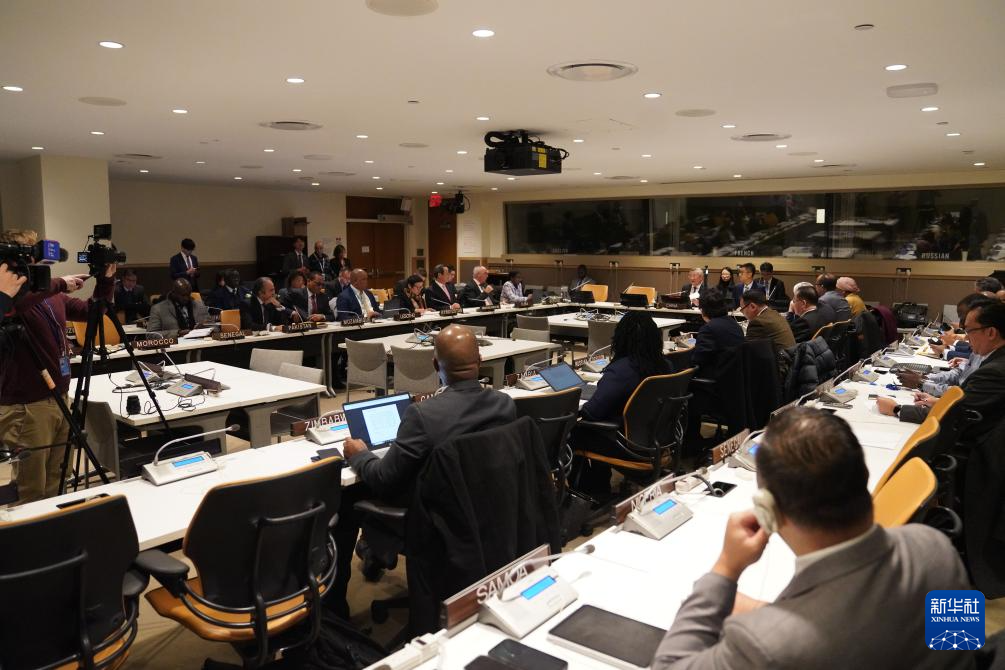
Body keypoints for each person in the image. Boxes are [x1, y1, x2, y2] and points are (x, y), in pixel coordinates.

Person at [653, 407, 971, 670]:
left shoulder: (766, 645)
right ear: (863, 476)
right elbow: (960, 646)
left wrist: (726, 568)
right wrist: (780, 614)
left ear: (768, 510)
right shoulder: (936, 547)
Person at [333, 325, 516, 615]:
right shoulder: (504, 405)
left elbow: (384, 478)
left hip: (434, 520)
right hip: (485, 510)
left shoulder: (422, 415)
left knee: (345, 497)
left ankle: (336, 609)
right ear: (480, 361)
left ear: (434, 365)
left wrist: (360, 455)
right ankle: (375, 551)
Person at [0, 229, 116, 504]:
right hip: (27, 406)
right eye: (32, 256)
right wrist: (60, 283)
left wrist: (106, 281)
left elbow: (92, 311)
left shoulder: (50, 296)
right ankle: (32, 531)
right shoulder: (12, 298)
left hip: (59, 397)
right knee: (31, 487)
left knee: (57, 478)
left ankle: (54, 525)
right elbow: (17, 304)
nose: (40, 263)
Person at [570, 312, 673, 493]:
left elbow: (591, 413)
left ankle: (589, 491)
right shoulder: (667, 366)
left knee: (572, 432)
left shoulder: (622, 370)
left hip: (628, 446)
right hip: (659, 443)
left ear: (620, 338)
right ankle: (598, 485)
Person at [878, 300, 1005, 445]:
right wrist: (940, 402)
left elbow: (955, 418)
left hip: (972, 447)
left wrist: (897, 409)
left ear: (991, 332)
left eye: (969, 331)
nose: (966, 337)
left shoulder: (994, 372)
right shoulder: (991, 356)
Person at [896, 294, 994, 396]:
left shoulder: (993, 366)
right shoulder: (981, 349)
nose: (961, 325)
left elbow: (965, 395)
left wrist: (921, 384)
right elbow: (960, 374)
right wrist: (925, 378)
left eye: (964, 319)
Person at [691, 288, 744, 375]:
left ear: (703, 309)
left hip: (715, 376)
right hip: (734, 375)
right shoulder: (735, 324)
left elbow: (698, 360)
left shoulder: (708, 329)